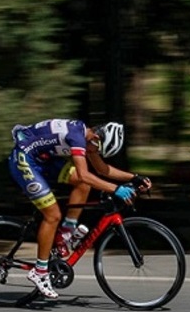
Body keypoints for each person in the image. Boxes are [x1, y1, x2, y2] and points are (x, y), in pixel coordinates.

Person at [8, 119, 152, 299]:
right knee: (53, 215)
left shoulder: (89, 138)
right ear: (95, 139)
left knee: (84, 185)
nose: (95, 153)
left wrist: (135, 177)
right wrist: (116, 189)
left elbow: (102, 169)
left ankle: (66, 233)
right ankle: (39, 271)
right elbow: (85, 174)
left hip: (43, 159)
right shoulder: (77, 137)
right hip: (24, 160)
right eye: (97, 150)